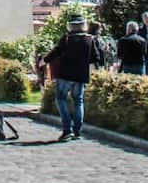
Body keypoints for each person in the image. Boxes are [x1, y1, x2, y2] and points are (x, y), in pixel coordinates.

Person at [43, 14, 104, 142]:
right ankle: (77, 130)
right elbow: (95, 58)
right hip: (80, 75)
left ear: (70, 26)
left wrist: (44, 61)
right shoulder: (89, 39)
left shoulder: (66, 39)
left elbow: (56, 51)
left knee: (61, 98)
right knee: (78, 101)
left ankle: (67, 129)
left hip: (65, 74)